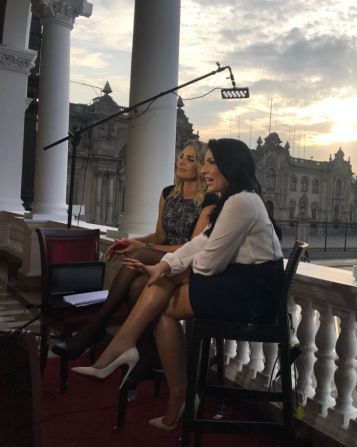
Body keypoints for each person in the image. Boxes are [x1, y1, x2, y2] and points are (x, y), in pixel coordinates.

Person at [72, 138, 284, 431]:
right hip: (242, 285)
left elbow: (209, 263)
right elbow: (201, 242)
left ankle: (134, 357)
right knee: (165, 304)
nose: (204, 169)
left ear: (230, 166)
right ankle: (148, 369)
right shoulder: (234, 199)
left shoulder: (242, 202)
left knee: (166, 299)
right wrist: (165, 265)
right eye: (204, 161)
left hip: (253, 295)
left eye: (210, 162)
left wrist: (168, 272)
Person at [54, 140, 217, 384]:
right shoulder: (168, 193)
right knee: (137, 286)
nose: (181, 162)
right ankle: (148, 352)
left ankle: (97, 325)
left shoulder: (210, 201)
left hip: (184, 262)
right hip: (160, 258)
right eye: (181, 156)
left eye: (190, 159)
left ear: (202, 166)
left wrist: (143, 248)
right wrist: (134, 242)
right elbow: (159, 236)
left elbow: (190, 247)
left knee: (139, 256)